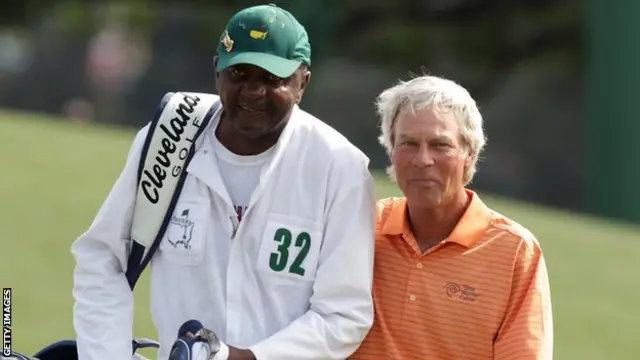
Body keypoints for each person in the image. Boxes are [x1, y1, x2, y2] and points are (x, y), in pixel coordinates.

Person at [71, 4, 376, 360]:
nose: (252, 91)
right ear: (217, 70)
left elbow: (343, 315)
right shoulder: (170, 136)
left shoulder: (340, 167)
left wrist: (244, 358)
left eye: (272, 79)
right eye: (239, 74)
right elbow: (102, 259)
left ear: (302, 83)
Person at [351, 75, 554, 359]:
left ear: (469, 154)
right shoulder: (360, 226)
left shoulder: (515, 252)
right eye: (408, 143)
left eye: (440, 145)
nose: (422, 159)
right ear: (391, 151)